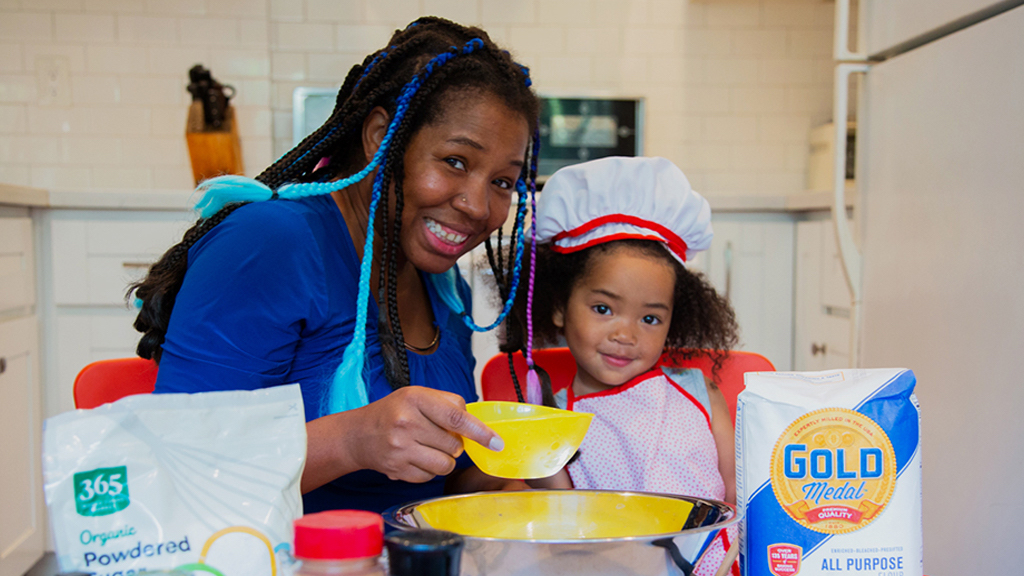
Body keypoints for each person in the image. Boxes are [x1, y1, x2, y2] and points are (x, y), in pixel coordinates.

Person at [129, 17, 541, 515]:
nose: (478, 206)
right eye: (455, 161)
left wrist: (506, 485)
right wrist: (353, 440)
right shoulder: (273, 242)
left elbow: (442, 465)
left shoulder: (441, 279)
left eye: (503, 182)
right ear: (379, 136)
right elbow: (178, 463)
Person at [504, 156, 740, 576]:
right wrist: (532, 452)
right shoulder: (557, 419)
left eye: (650, 318)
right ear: (559, 307)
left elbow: (737, 494)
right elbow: (563, 521)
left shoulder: (701, 393)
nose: (626, 334)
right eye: (603, 308)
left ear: (673, 321)